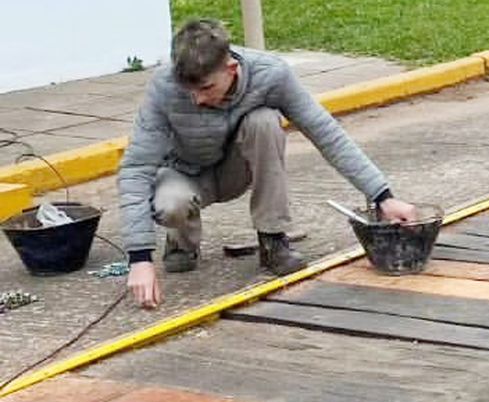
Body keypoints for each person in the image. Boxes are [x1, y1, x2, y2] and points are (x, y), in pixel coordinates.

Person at [119, 19, 421, 310]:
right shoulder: (164, 85)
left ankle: (272, 240)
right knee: (171, 205)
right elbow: (136, 168)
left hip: (235, 170)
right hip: (182, 173)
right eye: (190, 91)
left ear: (231, 68)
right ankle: (181, 240)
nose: (197, 99)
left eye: (207, 88)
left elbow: (326, 133)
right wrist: (140, 259)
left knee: (264, 121)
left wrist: (383, 197)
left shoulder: (270, 74)